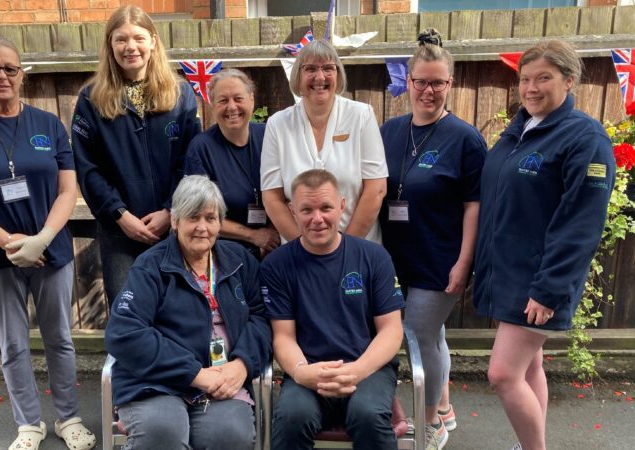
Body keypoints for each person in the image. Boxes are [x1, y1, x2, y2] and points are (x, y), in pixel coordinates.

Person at [0, 37, 95, 450]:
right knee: (12, 343)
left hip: (52, 253)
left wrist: (42, 238)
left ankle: (69, 417)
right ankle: (29, 423)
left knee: (59, 339)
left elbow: (68, 191)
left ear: (22, 74)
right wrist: (12, 242)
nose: (2, 76)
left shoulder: (48, 124)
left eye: (9, 68)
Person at [474, 40, 615, 450]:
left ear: (569, 81)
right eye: (525, 79)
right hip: (505, 273)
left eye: (544, 78)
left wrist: (549, 288)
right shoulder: (518, 131)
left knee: (503, 374)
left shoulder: (585, 138)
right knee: (530, 364)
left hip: (537, 279)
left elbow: (582, 223)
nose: (531, 88)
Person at [104, 175, 272, 450]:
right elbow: (125, 332)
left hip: (222, 379)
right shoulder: (151, 267)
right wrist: (195, 373)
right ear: (175, 221)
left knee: (231, 435)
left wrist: (242, 365)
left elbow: (261, 318)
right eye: (193, 217)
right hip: (157, 383)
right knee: (163, 432)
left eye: (211, 218)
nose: (202, 227)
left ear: (220, 222)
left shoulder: (240, 261)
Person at [378, 29, 486, 450]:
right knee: (433, 335)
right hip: (393, 255)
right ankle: (445, 407)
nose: (428, 90)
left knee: (419, 332)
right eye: (420, 81)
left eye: (437, 82)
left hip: (440, 258)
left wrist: (464, 263)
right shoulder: (389, 131)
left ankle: (429, 423)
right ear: (408, 81)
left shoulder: (465, 139)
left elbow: (474, 206)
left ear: (450, 84)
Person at [262, 169, 405, 450]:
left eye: (326, 207)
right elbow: (283, 335)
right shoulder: (276, 266)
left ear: (341, 205)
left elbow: (391, 330)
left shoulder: (374, 257)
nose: (317, 219)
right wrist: (302, 372)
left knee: (367, 415)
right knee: (292, 417)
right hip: (309, 369)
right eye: (307, 210)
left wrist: (357, 370)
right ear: (292, 211)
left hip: (368, 369)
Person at [72, 5, 201, 305]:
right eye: (121, 39)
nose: (131, 47)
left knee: (176, 310)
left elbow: (191, 162)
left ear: (153, 41)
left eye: (139, 38)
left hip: (173, 229)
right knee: (127, 313)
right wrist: (120, 215)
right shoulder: (91, 99)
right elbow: (88, 169)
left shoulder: (181, 96)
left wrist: (170, 211)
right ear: (110, 45)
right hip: (120, 234)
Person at [260, 39, 387, 244]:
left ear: (338, 74)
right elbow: (272, 199)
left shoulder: (361, 115)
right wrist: (305, 249)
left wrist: (343, 250)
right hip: (300, 256)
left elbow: (376, 189)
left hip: (358, 247)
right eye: (310, 69)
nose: (320, 77)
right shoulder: (278, 124)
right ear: (298, 76)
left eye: (328, 68)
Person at [185, 69, 280, 259]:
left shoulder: (270, 135)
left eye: (238, 98)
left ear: (251, 99)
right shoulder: (201, 148)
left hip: (277, 243)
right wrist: (254, 236)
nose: (231, 107)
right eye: (223, 100)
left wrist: (273, 232)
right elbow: (198, 213)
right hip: (226, 251)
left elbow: (290, 193)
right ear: (212, 104)